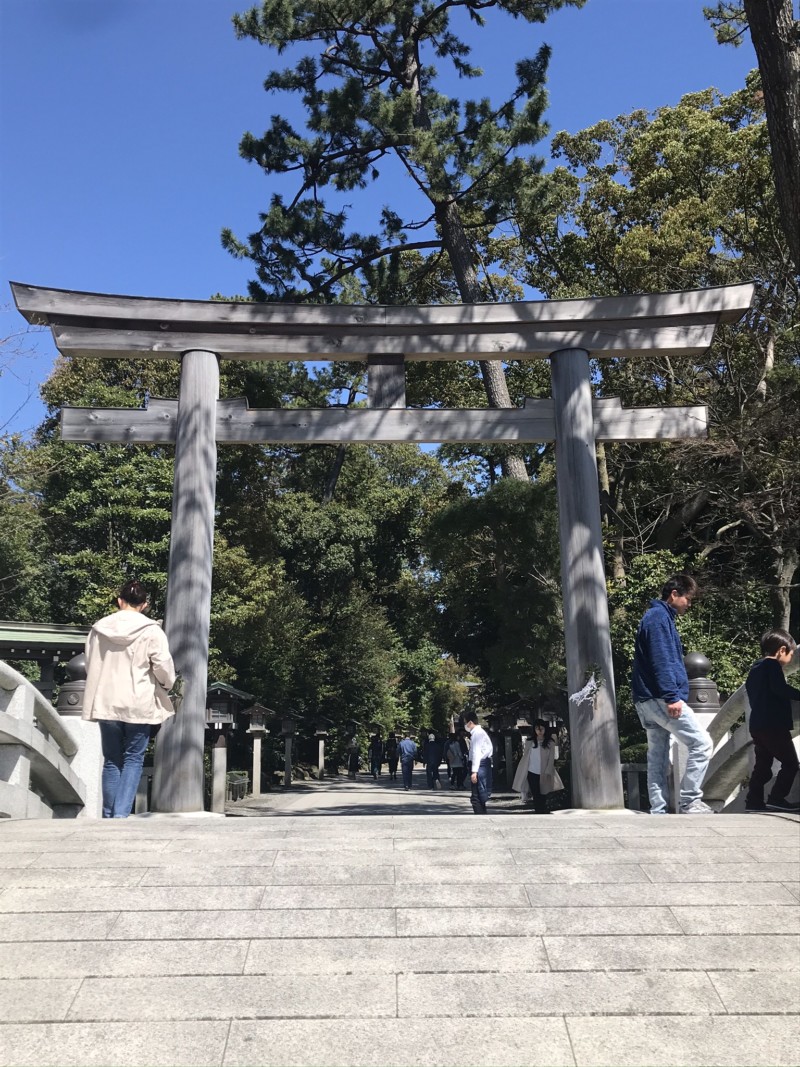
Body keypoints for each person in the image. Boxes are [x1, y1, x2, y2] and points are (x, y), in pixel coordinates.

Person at [83, 579, 176, 818]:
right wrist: (167, 684)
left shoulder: (99, 628)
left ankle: (108, 814)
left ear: (119, 601)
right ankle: (121, 815)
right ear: (144, 605)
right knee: (133, 758)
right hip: (138, 699)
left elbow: (90, 660)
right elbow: (163, 666)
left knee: (112, 759)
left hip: (106, 699)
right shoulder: (151, 630)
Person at [631, 573, 714, 815]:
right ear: (674, 594)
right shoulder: (658, 618)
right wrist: (672, 696)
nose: (689, 604)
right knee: (701, 743)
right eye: (687, 598)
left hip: (646, 699)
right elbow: (663, 661)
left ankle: (658, 809)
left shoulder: (654, 617)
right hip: (660, 697)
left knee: (656, 755)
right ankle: (690, 800)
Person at [744, 629, 800, 813]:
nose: (790, 659)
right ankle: (776, 798)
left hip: (758, 725)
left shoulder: (755, 668)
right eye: (791, 654)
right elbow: (779, 688)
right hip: (773, 725)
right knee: (791, 763)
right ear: (782, 650)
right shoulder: (772, 666)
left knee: (763, 767)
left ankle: (754, 802)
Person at [512, 719, 564, 814]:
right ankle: (538, 810)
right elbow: (526, 756)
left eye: (542, 729)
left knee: (543, 791)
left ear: (545, 729)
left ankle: (542, 809)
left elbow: (551, 757)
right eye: (537, 729)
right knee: (535, 792)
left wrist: (549, 769)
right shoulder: (530, 741)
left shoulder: (550, 742)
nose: (539, 731)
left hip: (544, 771)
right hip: (531, 770)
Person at [463, 711, 493, 814]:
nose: (465, 725)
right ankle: (483, 813)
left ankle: (480, 816)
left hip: (480, 764)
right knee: (481, 793)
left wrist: (474, 771)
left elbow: (476, 753)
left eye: (465, 722)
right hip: (483, 764)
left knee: (476, 795)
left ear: (470, 722)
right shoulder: (479, 733)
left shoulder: (477, 734)